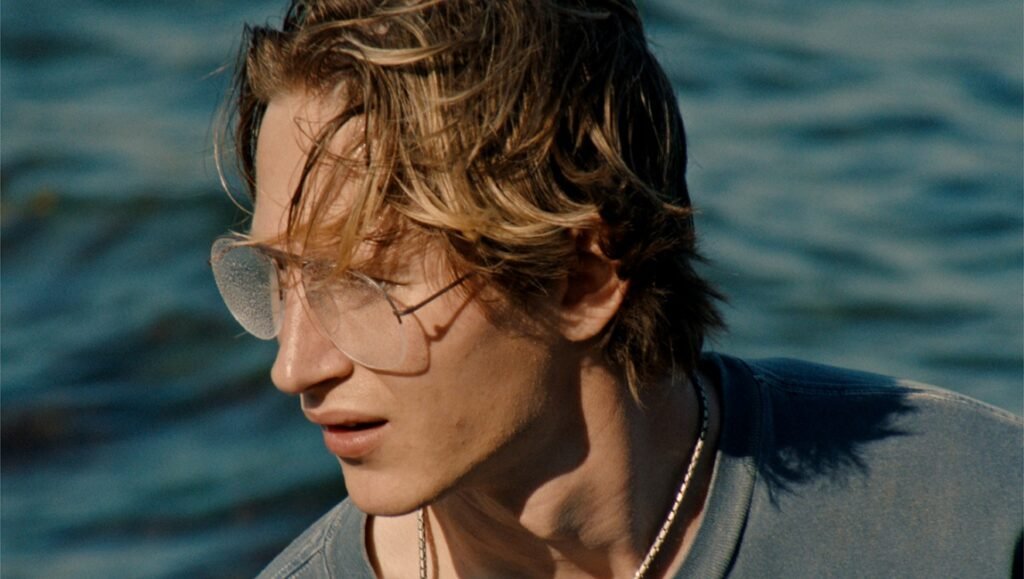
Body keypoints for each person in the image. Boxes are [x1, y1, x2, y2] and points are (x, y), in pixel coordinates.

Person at [209, 1, 1023, 577]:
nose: (294, 366)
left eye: (364, 279)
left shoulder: (974, 515)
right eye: (282, 275)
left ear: (583, 280)